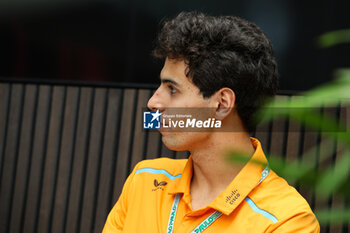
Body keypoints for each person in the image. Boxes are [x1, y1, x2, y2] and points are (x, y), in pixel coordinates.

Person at [103, 11, 320, 232]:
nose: (152, 103)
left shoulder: (287, 220)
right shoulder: (145, 179)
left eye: (172, 89)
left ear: (222, 103)